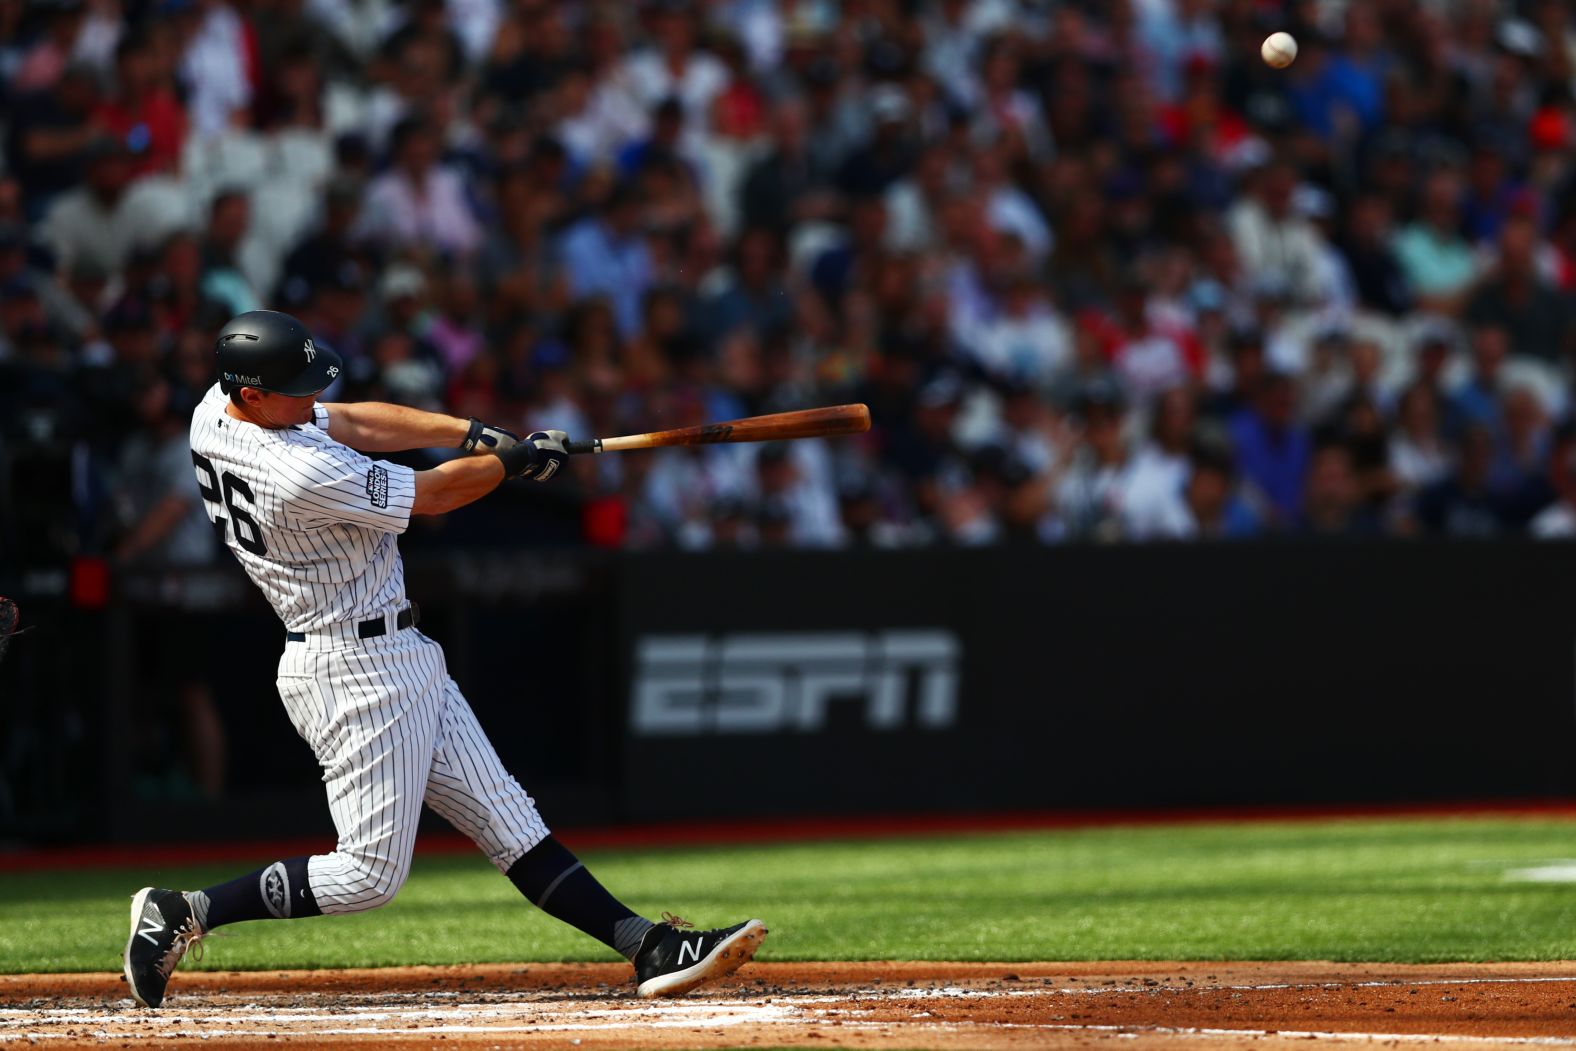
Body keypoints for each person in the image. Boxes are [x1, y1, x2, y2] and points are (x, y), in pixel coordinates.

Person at [123, 310, 766, 1009]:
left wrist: (469, 433)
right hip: (355, 670)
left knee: (508, 819)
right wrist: (512, 465)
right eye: (294, 388)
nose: (310, 398)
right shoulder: (298, 472)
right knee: (368, 874)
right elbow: (434, 495)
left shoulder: (215, 410)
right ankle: (182, 908)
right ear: (252, 394)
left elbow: (353, 420)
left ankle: (649, 944)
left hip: (393, 651)